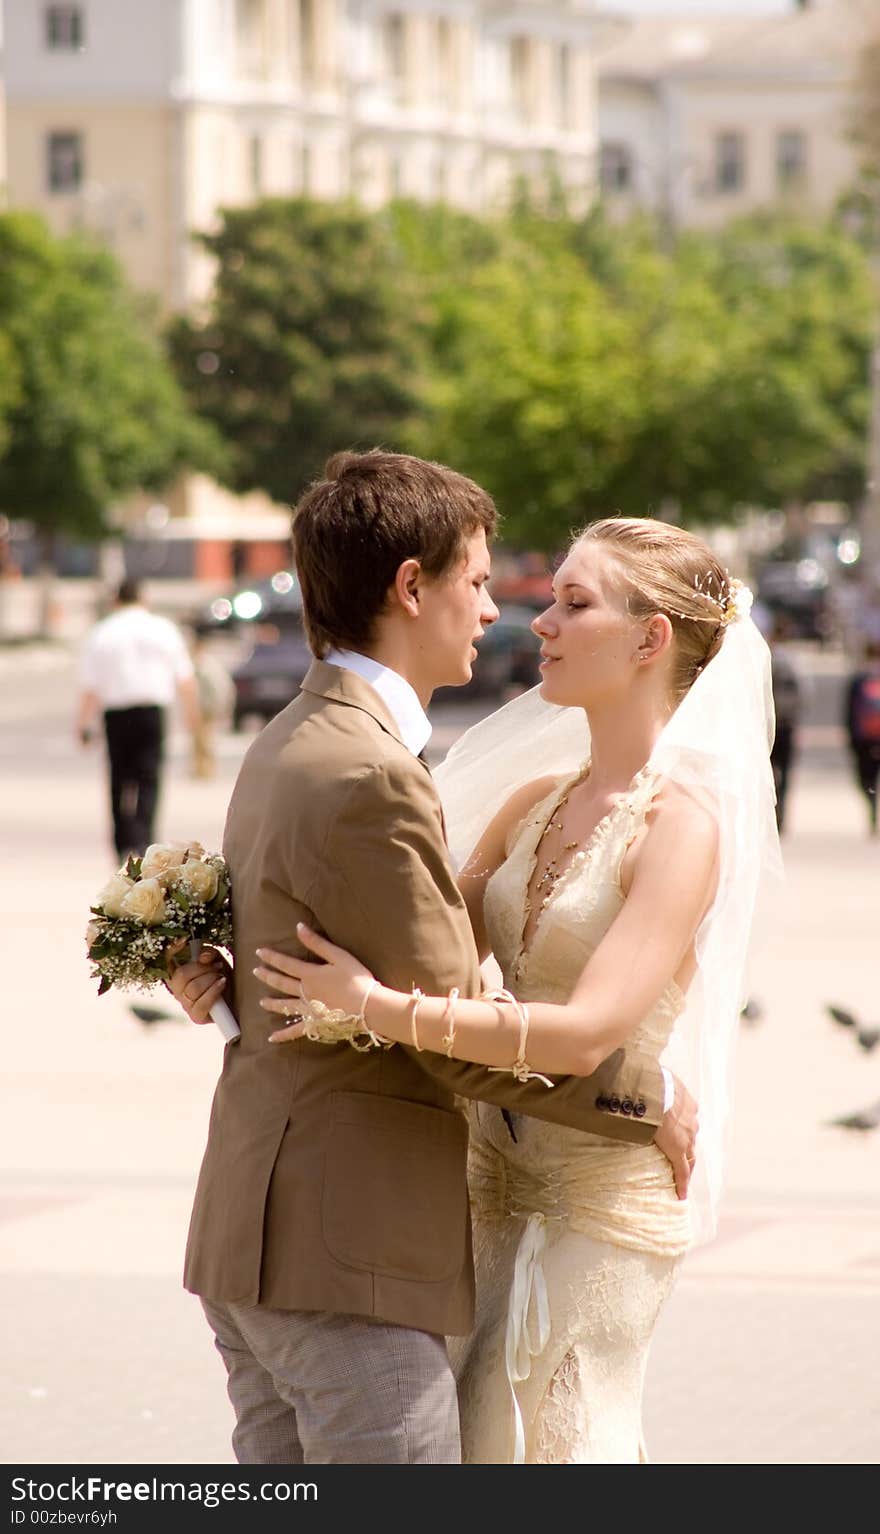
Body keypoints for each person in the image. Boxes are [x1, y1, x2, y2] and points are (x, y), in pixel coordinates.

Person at [167, 453, 697, 1467]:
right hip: (344, 1255)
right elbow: (441, 1025)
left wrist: (220, 976)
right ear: (413, 587)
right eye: (479, 580)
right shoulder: (368, 770)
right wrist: (646, 1098)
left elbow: (348, 955)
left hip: (265, 1231)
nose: (501, 609)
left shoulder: (293, 736)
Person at [252, 516, 780, 1464]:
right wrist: (206, 946)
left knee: (551, 1432)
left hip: (600, 1198)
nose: (537, 620)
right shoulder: (530, 804)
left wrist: (373, 1006)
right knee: (469, 1428)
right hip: (483, 1183)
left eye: (574, 603)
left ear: (651, 638)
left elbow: (583, 1035)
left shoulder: (682, 829)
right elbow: (395, 934)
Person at [76, 579, 201, 861]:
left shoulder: (102, 632)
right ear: (143, 598)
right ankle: (144, 838)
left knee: (119, 778)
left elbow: (90, 686)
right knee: (149, 777)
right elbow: (185, 678)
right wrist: (192, 715)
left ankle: (122, 843)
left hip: (116, 714)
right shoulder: (162, 629)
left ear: (116, 600)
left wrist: (82, 724)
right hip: (151, 712)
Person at [767, 615, 806, 834]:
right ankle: (782, 812)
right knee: (787, 771)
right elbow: (804, 693)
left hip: (768, 724)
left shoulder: (766, 658)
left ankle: (772, 811)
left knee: (770, 770)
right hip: (788, 723)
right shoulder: (793, 662)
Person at [843, 636, 880, 835]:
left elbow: (849, 711)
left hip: (863, 738)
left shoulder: (859, 679)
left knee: (865, 778)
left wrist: (850, 736)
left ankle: (872, 804)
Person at [188, 630, 234, 780]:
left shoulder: (204, 665)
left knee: (204, 740)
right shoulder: (206, 663)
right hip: (205, 706)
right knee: (200, 739)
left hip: (206, 707)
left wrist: (216, 706)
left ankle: (206, 771)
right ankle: (200, 769)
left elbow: (215, 688)